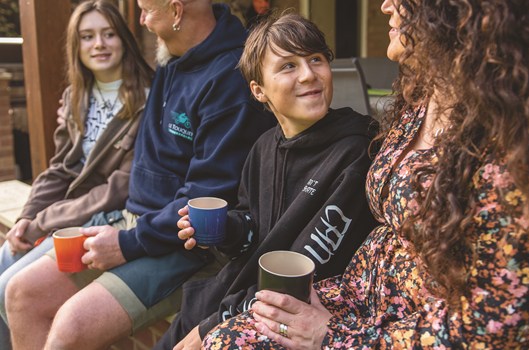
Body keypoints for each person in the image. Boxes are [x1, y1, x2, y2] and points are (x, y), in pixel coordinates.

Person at [203, 0, 529, 348]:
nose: (384, 6)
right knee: (225, 339)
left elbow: (493, 325)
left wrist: (334, 336)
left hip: (429, 330)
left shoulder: (523, 138)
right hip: (365, 297)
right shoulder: (430, 93)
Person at [5, 0, 276, 349]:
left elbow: (205, 200)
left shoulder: (230, 80)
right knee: (20, 293)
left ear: (176, 12)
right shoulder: (171, 60)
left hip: (187, 246)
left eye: (146, 10)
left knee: (70, 328)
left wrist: (125, 243)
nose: (143, 22)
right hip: (133, 222)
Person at [155, 11, 379, 349]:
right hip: (226, 298)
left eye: (316, 59)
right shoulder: (264, 146)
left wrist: (210, 326)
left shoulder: (356, 152)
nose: (309, 75)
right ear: (258, 90)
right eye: (288, 66)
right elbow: (252, 225)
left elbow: (298, 276)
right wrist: (225, 230)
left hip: (281, 316)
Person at [0, 0, 153, 348]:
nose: (98, 44)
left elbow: (119, 187)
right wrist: (27, 216)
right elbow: (61, 168)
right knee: (5, 261)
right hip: (73, 209)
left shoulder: (148, 98)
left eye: (108, 34)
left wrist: (45, 220)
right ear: (77, 46)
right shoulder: (77, 96)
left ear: (124, 40)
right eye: (87, 36)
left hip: (108, 217)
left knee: (12, 289)